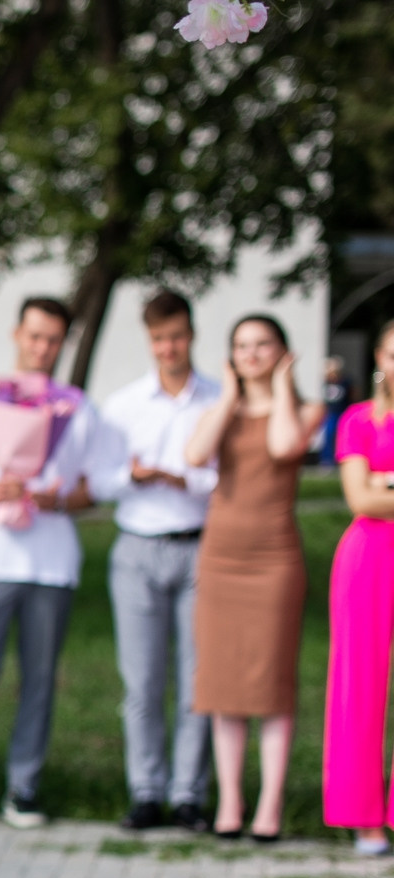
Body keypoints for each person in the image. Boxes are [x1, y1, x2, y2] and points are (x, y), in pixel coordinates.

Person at [0, 298, 102, 830]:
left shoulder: (78, 410)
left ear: (63, 344)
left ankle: (23, 789)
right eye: (34, 336)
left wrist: (58, 500)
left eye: (52, 339)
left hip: (51, 563)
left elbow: (91, 489)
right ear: (17, 335)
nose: (42, 348)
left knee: (39, 678)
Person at [185, 316, 322, 841]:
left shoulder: (306, 410)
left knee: (271, 682)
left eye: (263, 344)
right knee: (223, 684)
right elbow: (196, 456)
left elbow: (286, 446)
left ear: (283, 351)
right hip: (221, 557)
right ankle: (230, 802)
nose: (252, 354)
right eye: (241, 346)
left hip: (274, 560)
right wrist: (229, 396)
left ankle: (269, 806)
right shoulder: (219, 410)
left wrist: (281, 386)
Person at [93, 290, 220, 833]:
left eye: (177, 336)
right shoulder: (123, 406)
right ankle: (145, 790)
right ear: (149, 342)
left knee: (198, 677)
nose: (169, 348)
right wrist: (134, 477)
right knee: (141, 679)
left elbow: (230, 481)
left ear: (191, 334)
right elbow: (98, 481)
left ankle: (189, 793)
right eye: (159, 339)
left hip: (200, 544)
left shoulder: (216, 399)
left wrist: (183, 478)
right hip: (138, 546)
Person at [322, 319, 394, 856]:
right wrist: (373, 486)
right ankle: (363, 816)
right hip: (369, 557)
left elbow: (376, 487)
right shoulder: (357, 420)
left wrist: (383, 479)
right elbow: (361, 500)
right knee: (359, 682)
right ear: (379, 360)